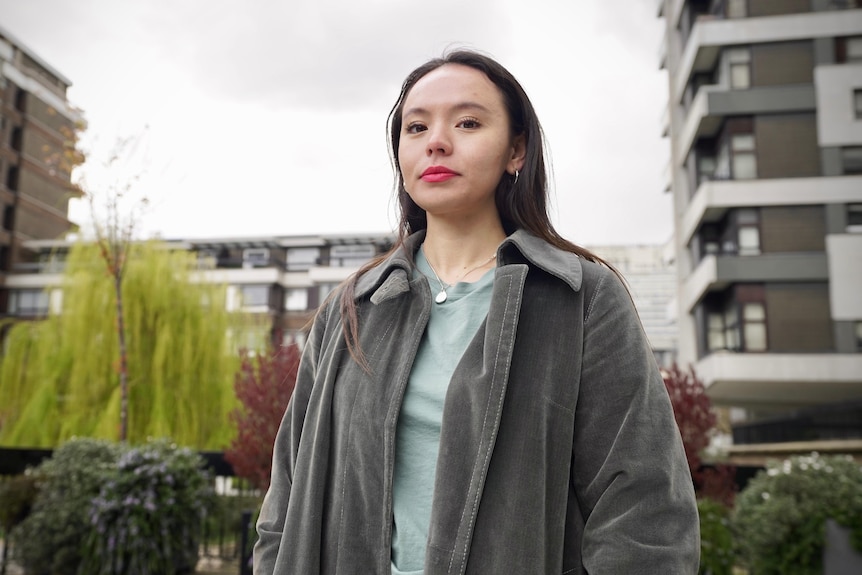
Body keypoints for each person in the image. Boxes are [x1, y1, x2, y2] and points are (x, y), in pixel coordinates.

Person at [254, 49, 700, 574]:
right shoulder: (354, 308)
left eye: (467, 122)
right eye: (415, 128)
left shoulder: (581, 298)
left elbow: (644, 508)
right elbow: (285, 496)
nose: (436, 141)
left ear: (516, 151)